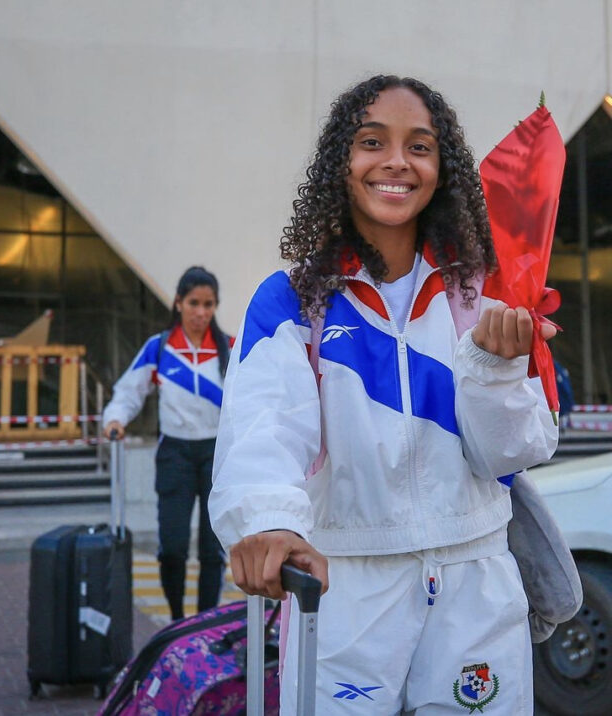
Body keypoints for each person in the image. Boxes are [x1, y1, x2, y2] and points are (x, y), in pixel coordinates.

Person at [209, 75, 559, 714]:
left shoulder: (485, 294)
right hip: (345, 586)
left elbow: (512, 454)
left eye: (419, 147)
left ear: (442, 170)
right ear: (341, 162)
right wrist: (266, 522)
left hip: (476, 585)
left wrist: (495, 369)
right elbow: (263, 426)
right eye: (372, 142)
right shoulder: (292, 301)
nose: (397, 161)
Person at [103, 266, 232, 621]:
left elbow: (257, 395)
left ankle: (204, 623)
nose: (201, 312)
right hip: (174, 453)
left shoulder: (231, 348)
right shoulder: (159, 348)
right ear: (178, 303)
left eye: (208, 304)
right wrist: (115, 418)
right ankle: (176, 621)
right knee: (172, 547)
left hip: (217, 455)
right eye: (193, 303)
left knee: (212, 549)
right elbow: (128, 392)